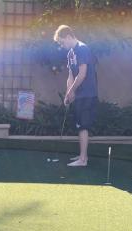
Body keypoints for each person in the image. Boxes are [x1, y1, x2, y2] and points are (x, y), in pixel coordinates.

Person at [54, 25, 98, 167]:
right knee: (80, 125)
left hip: (87, 94)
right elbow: (71, 75)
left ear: (68, 36)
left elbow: (82, 74)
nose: (62, 45)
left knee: (83, 126)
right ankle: (81, 156)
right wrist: (68, 93)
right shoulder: (70, 53)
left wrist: (72, 91)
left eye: (62, 42)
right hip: (79, 95)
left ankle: (83, 160)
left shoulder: (82, 49)